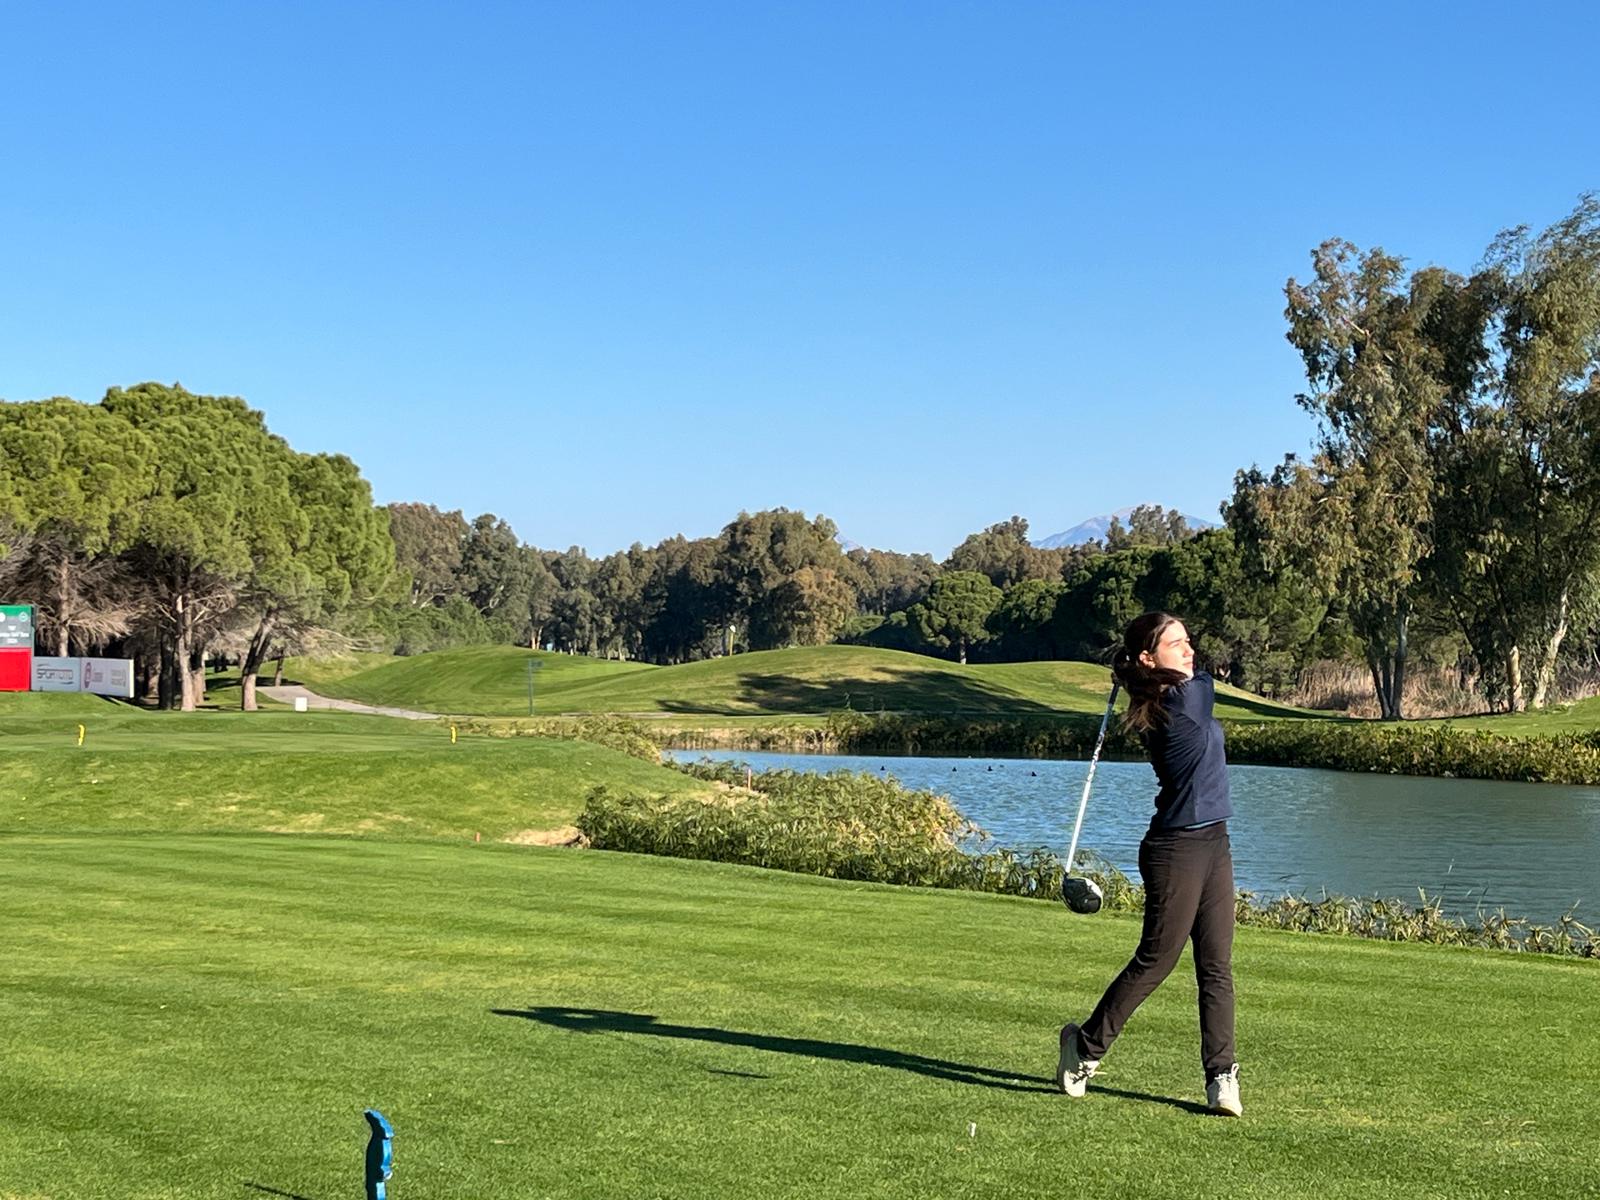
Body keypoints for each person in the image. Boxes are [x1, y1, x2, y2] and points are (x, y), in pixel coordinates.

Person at [1055, 611, 1242, 1116]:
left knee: (1216, 964)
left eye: (1188, 640)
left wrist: (1130, 672)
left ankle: (1221, 1077)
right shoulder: (1184, 701)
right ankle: (1083, 1048)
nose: (1190, 650)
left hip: (1214, 841)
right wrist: (1131, 672)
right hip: (1176, 849)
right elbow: (1205, 680)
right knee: (1157, 959)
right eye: (1176, 643)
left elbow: (1191, 674)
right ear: (1148, 658)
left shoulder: (1168, 697)